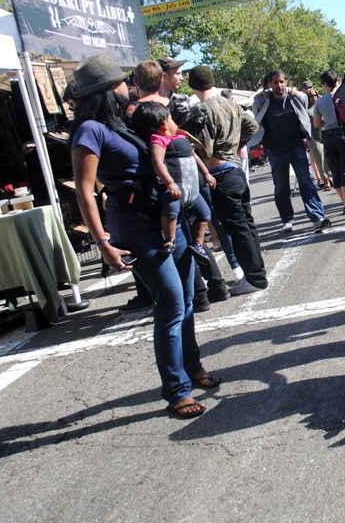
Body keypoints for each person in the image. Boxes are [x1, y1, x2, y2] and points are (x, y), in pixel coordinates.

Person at [70, 53, 216, 419]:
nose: (128, 86)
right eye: (121, 82)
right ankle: (177, 390)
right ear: (107, 91)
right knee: (169, 302)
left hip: (167, 216)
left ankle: (192, 368)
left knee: (185, 297)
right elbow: (85, 190)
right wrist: (102, 242)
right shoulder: (91, 130)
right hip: (136, 223)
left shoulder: (123, 121)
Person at [181, 65, 269, 297]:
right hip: (236, 169)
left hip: (220, 172)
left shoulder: (200, 110)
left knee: (237, 229)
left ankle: (254, 278)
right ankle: (257, 273)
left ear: (193, 86)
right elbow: (252, 126)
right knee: (246, 225)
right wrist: (237, 144)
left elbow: (206, 147)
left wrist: (198, 147)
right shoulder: (228, 103)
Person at [130, 101, 216, 259]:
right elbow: (157, 163)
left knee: (205, 214)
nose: (175, 123)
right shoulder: (159, 140)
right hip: (178, 188)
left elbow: (194, 155)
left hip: (193, 189)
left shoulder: (181, 136)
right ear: (164, 125)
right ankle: (170, 240)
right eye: (171, 120)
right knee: (170, 211)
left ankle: (198, 243)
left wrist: (206, 173)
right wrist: (170, 183)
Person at [252, 70, 330, 234]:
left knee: (306, 181)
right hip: (275, 149)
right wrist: (263, 92)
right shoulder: (262, 101)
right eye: (275, 82)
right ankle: (287, 220)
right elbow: (255, 106)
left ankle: (317, 218)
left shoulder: (296, 97)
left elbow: (306, 102)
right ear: (270, 84)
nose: (279, 85)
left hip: (295, 145)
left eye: (282, 82)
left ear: (286, 82)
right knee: (281, 187)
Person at [313, 70, 345, 214]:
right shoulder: (343, 97)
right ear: (338, 82)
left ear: (324, 84)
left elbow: (316, 124)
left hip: (328, 137)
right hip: (344, 135)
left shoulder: (320, 101)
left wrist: (327, 122)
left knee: (335, 171)